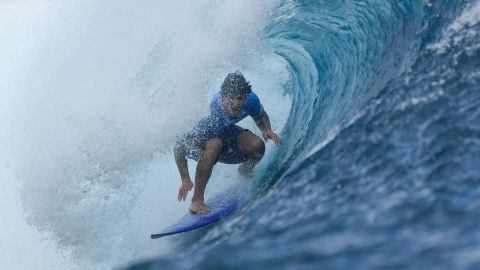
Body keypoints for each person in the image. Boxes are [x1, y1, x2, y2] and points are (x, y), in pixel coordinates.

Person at [174, 71, 281, 214]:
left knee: (257, 146)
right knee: (214, 144)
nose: (236, 105)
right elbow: (178, 145)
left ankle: (244, 172)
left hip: (225, 133)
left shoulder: (251, 100)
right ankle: (197, 201)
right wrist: (185, 178)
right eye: (231, 101)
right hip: (203, 143)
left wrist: (267, 129)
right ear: (222, 98)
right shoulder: (212, 113)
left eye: (240, 100)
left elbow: (260, 115)